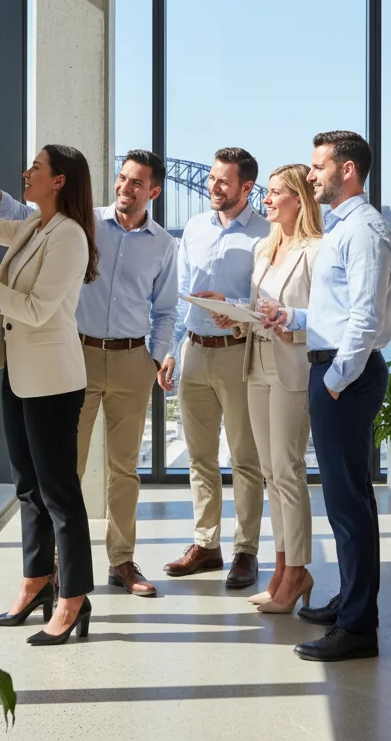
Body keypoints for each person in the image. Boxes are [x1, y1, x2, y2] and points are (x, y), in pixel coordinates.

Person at [0, 149, 177, 597]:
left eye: (137, 183)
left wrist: (153, 360)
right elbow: (20, 216)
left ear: (153, 192)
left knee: (124, 470)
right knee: (65, 468)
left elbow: (165, 310)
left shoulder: (163, 244)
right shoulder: (83, 223)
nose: (125, 187)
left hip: (130, 361)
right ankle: (60, 566)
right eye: (121, 178)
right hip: (76, 357)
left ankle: (122, 561)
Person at [0, 145, 99, 646]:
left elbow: (37, 310)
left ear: (60, 181)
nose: (26, 172)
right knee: (28, 490)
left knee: (60, 494)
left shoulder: (70, 237)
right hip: (17, 372)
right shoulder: (36, 226)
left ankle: (74, 597)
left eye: (35, 167)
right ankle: (37, 583)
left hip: (53, 382)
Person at [261, 131, 391, 662]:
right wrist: (291, 318)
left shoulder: (363, 231)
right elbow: (336, 313)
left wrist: (336, 380)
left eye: (318, 167)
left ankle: (358, 627)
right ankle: (349, 602)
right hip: (335, 368)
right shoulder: (344, 229)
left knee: (349, 506)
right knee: (346, 499)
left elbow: (363, 319)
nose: (311, 175)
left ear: (347, 171)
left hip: (345, 377)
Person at [209, 164, 322, 614]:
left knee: (288, 472)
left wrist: (286, 324)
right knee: (270, 475)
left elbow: (322, 319)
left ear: (299, 199)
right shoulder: (265, 247)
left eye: (276, 193)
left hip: (291, 367)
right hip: (255, 363)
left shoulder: (316, 252)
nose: (267, 200)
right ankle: (280, 570)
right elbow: (260, 308)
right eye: (268, 192)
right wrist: (233, 313)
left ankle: (296, 574)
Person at [158, 148, 268, 589]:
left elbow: (269, 299)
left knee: (245, 459)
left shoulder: (265, 233)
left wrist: (237, 310)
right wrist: (168, 349)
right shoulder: (195, 229)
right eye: (211, 179)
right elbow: (179, 292)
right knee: (200, 458)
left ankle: (246, 551)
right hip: (194, 351)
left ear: (247, 187)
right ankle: (206, 544)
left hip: (237, 353)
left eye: (223, 181)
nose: (213, 187)